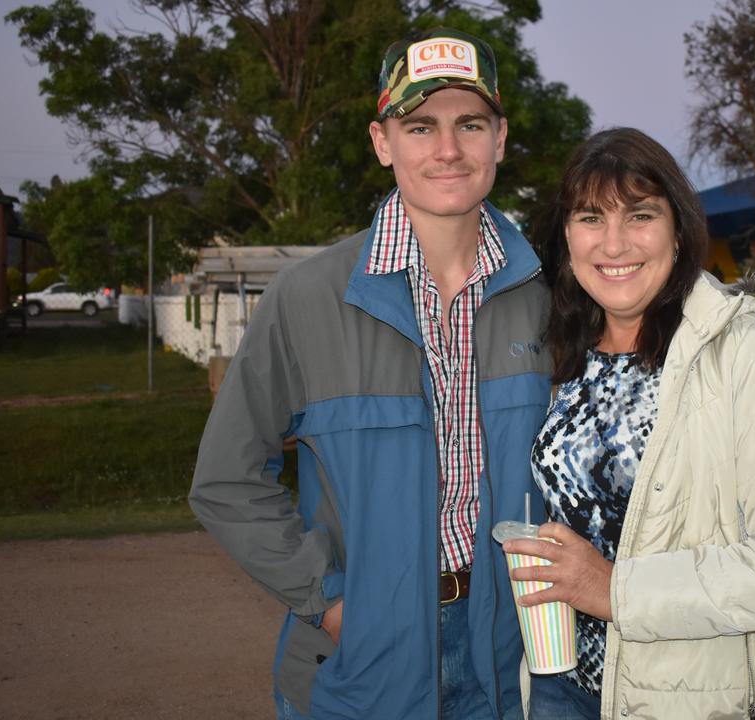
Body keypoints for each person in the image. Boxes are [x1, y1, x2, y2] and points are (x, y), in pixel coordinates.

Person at [190, 28, 550, 720]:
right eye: (420, 126)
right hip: (363, 660)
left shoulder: (550, 292)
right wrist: (328, 601)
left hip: (513, 659)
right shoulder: (307, 296)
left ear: (499, 139)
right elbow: (225, 481)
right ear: (383, 142)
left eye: (469, 124)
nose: (447, 149)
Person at [502, 128, 755, 719]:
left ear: (678, 229)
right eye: (591, 218)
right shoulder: (564, 351)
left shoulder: (744, 348)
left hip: (698, 700)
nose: (613, 244)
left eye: (639, 215)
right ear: (566, 236)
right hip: (563, 689)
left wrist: (615, 590)